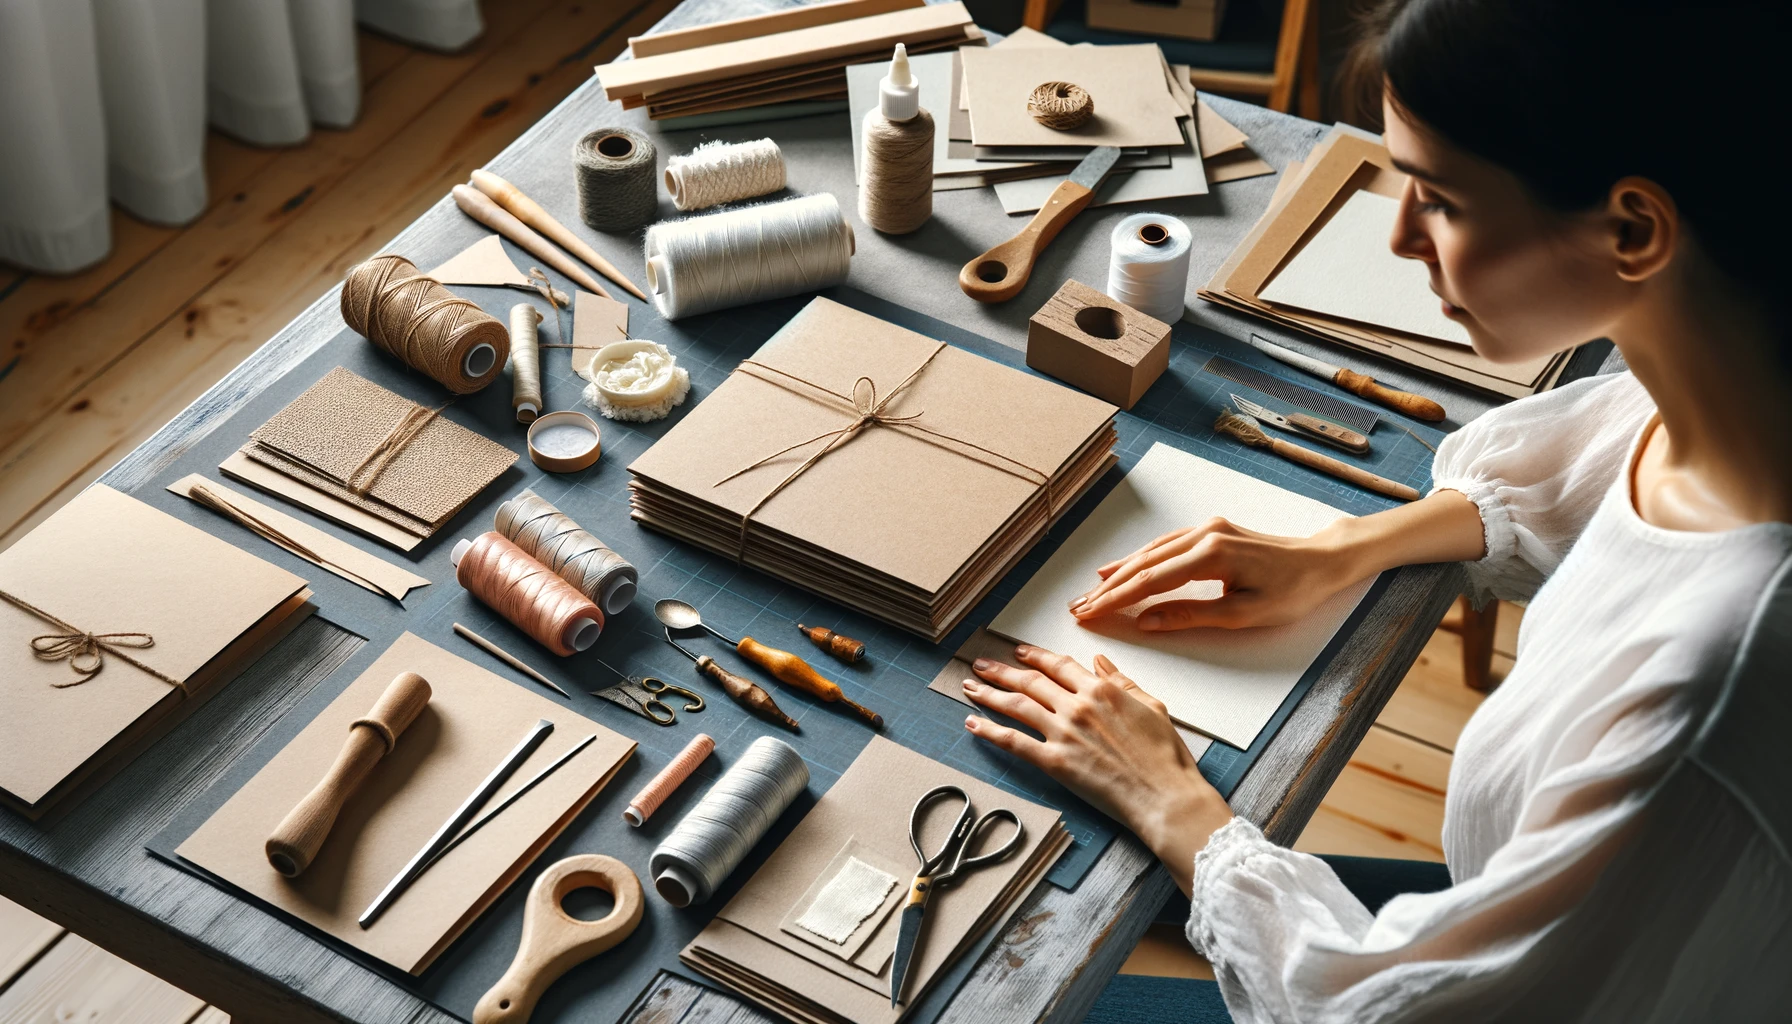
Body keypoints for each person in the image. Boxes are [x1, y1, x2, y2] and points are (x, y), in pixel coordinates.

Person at [961, 0, 1792, 1019]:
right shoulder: (1731, 377)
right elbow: (1589, 468)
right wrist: (1344, 546)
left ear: (1631, 228)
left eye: (1438, 200)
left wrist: (1173, 803)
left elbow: (1376, 1011)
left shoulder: (1703, 702)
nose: (1399, 236)